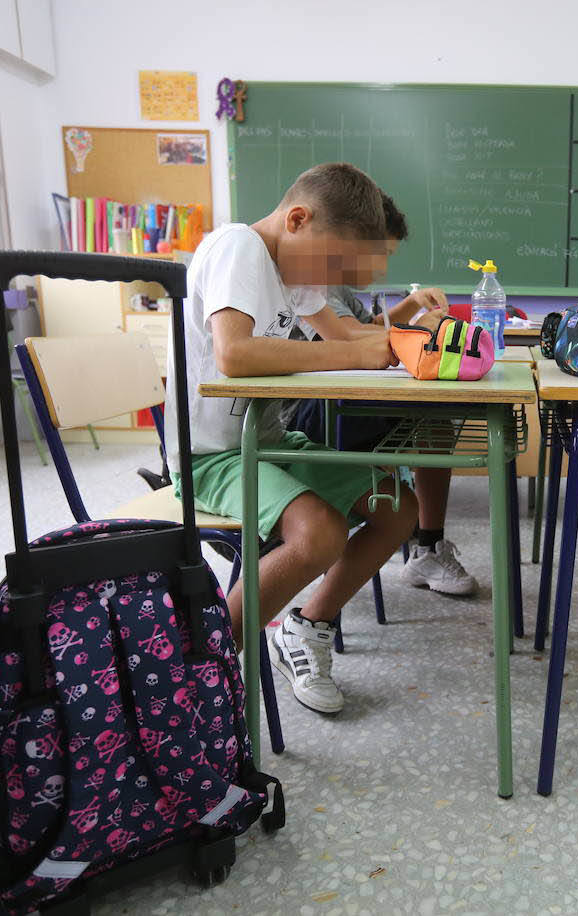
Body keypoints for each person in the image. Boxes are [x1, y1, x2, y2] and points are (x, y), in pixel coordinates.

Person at [168, 162, 419, 716]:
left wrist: (416, 340)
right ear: (298, 219)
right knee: (319, 535)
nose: (330, 279)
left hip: (269, 442)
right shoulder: (238, 247)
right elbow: (235, 355)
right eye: (332, 261)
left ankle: (306, 626)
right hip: (211, 458)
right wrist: (355, 353)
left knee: (398, 508)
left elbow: (348, 331)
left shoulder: (294, 270)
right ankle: (200, 674)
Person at [285, 195, 479, 595]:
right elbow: (347, 337)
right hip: (309, 413)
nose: (382, 268)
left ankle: (427, 545)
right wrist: (419, 330)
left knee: (436, 411)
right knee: (435, 413)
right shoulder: (313, 275)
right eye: (379, 255)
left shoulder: (331, 281)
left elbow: (362, 326)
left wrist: (409, 308)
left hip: (331, 401)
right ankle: (426, 545)